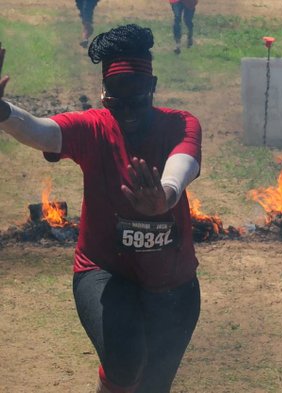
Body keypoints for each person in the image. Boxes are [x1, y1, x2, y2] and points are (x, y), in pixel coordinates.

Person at [0, 24, 202, 393]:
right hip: (103, 272)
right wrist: (2, 111)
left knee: (154, 386)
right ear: (103, 92)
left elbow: (182, 165)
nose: (126, 108)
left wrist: (166, 196)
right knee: (124, 361)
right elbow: (41, 130)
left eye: (136, 95)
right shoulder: (93, 127)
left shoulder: (180, 123)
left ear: (152, 86)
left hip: (174, 285)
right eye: (116, 97)